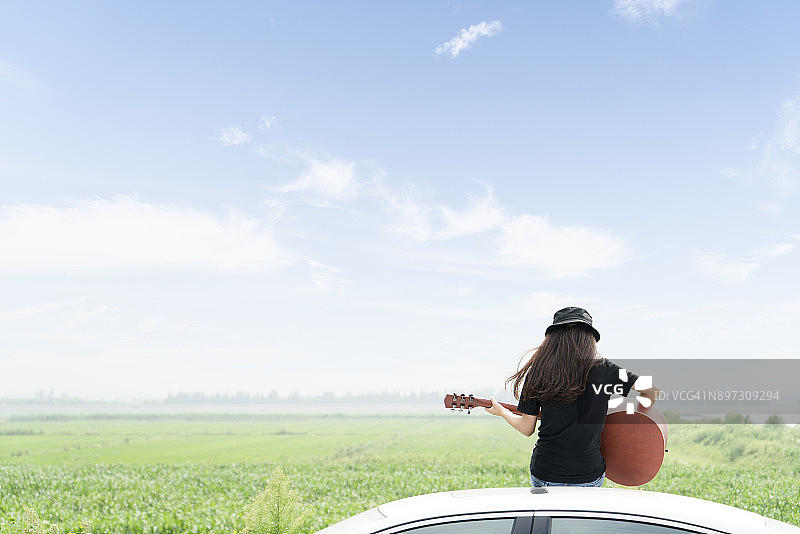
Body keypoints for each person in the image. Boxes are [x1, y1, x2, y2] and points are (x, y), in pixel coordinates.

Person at [486, 307, 658, 487]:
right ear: (589, 338)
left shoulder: (538, 371)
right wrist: (622, 411)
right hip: (588, 474)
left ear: (552, 338)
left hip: (546, 472)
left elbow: (526, 428)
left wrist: (502, 412)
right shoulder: (605, 369)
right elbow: (652, 391)